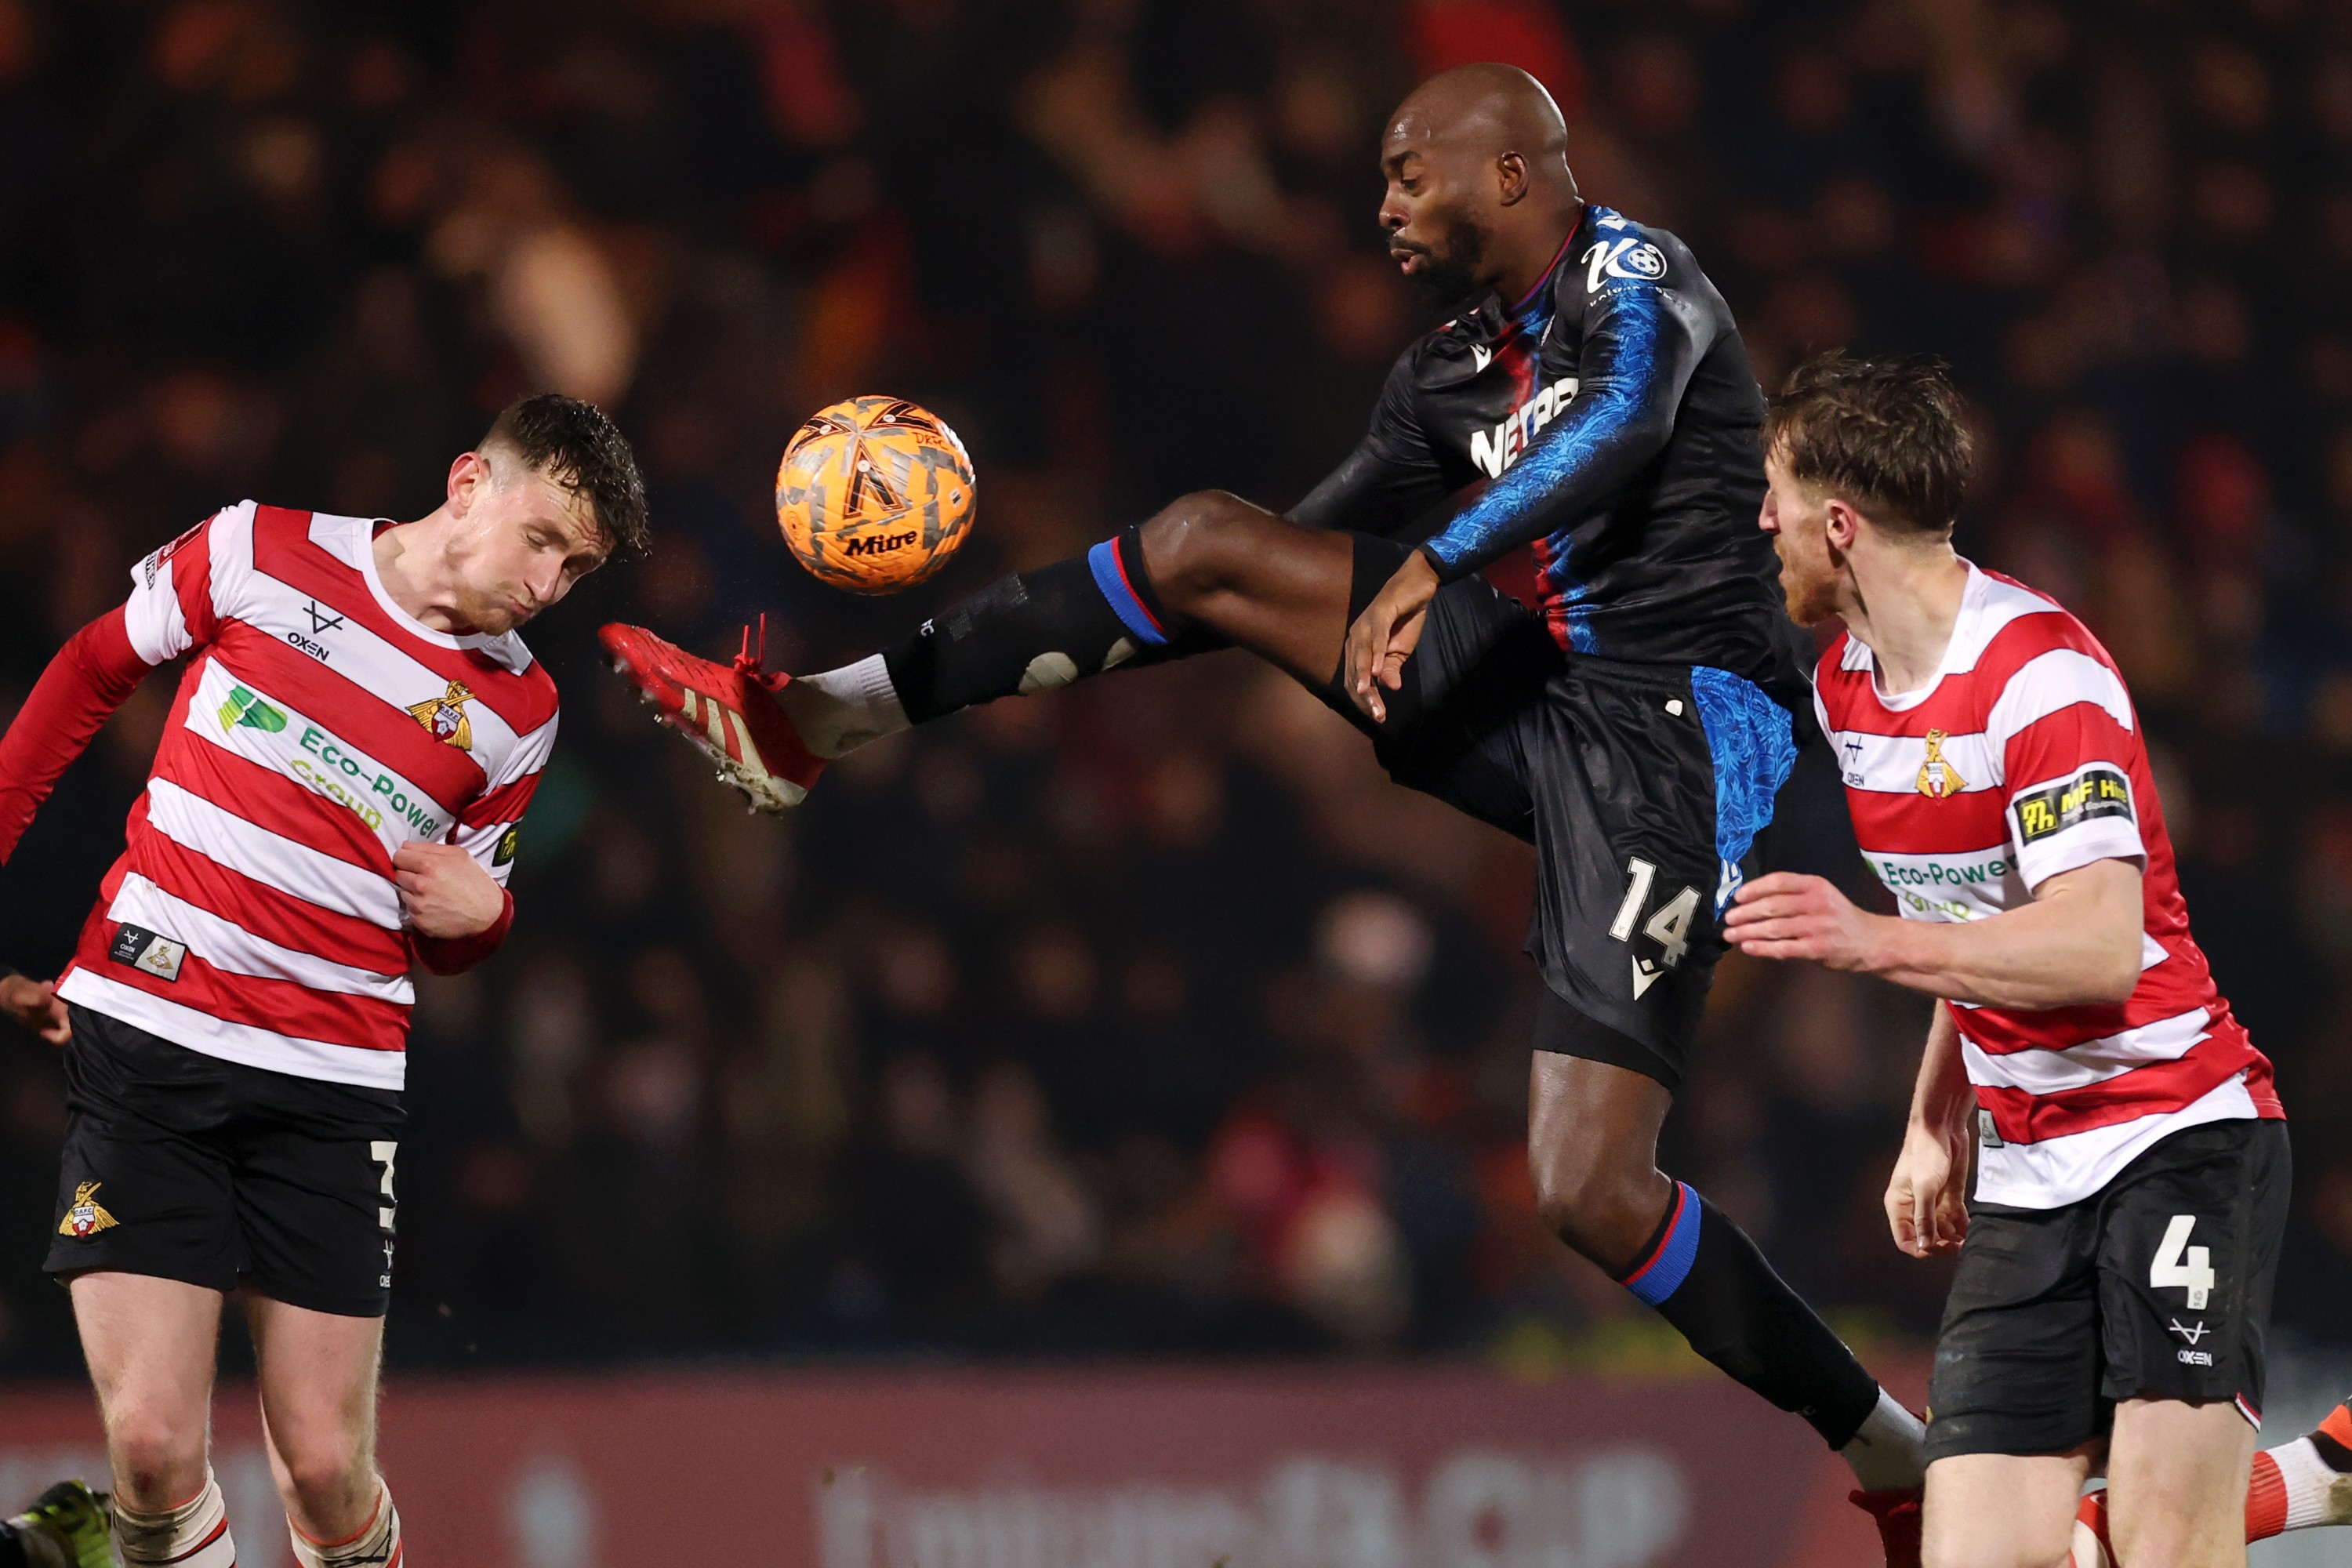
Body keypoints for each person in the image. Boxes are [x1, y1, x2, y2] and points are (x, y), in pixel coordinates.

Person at [603, 61, 1933, 1553]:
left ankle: (1892, 1453)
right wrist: (1135, 650)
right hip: (1534, 697)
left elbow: (1621, 423)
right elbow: (1269, 556)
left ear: (1511, 174)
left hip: (1688, 745)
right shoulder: (1440, 373)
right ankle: (825, 718)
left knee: (1592, 1192)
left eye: (1407, 170)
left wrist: (1436, 563)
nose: (1381, 202)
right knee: (1197, 542)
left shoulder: (1642, 277)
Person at [0, 395, 644, 1568]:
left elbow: (455, 918)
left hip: (329, 1087)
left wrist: (487, 917)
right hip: (151, 1038)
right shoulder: (259, 548)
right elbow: (94, 667)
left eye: (581, 566)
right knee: (148, 1449)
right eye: (544, 539)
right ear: (468, 484)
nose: (553, 584)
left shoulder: (522, 711)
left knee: (325, 1469)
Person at [1730, 352, 2347, 1566]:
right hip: (2027, 1178)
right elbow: (1975, 910)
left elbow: (2096, 947)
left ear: (1839, 524)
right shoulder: (1846, 688)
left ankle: (2292, 1490)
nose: (1764, 521)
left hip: (2176, 1137)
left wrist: (1872, 940)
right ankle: (2313, 1482)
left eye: (1777, 493)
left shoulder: (2039, 674)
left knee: (2168, 1552)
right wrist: (1932, 1114)